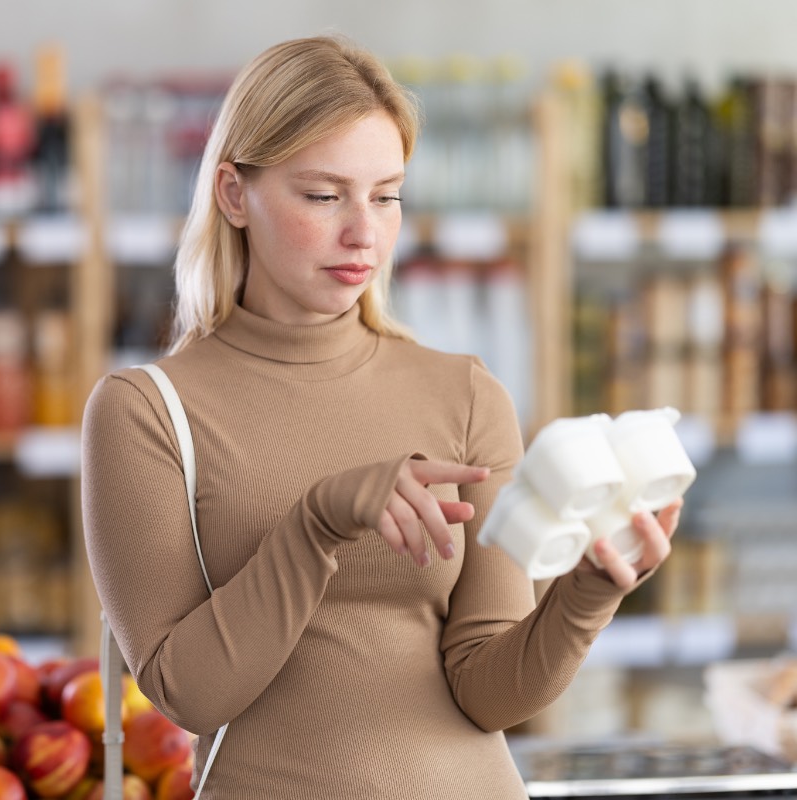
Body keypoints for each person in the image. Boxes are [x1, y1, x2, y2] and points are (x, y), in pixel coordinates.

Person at [81, 35, 681, 799]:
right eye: (324, 196)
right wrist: (317, 524)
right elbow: (188, 694)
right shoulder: (144, 412)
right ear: (233, 194)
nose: (364, 232)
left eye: (386, 195)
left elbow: (487, 691)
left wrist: (589, 593)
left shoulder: (466, 394)